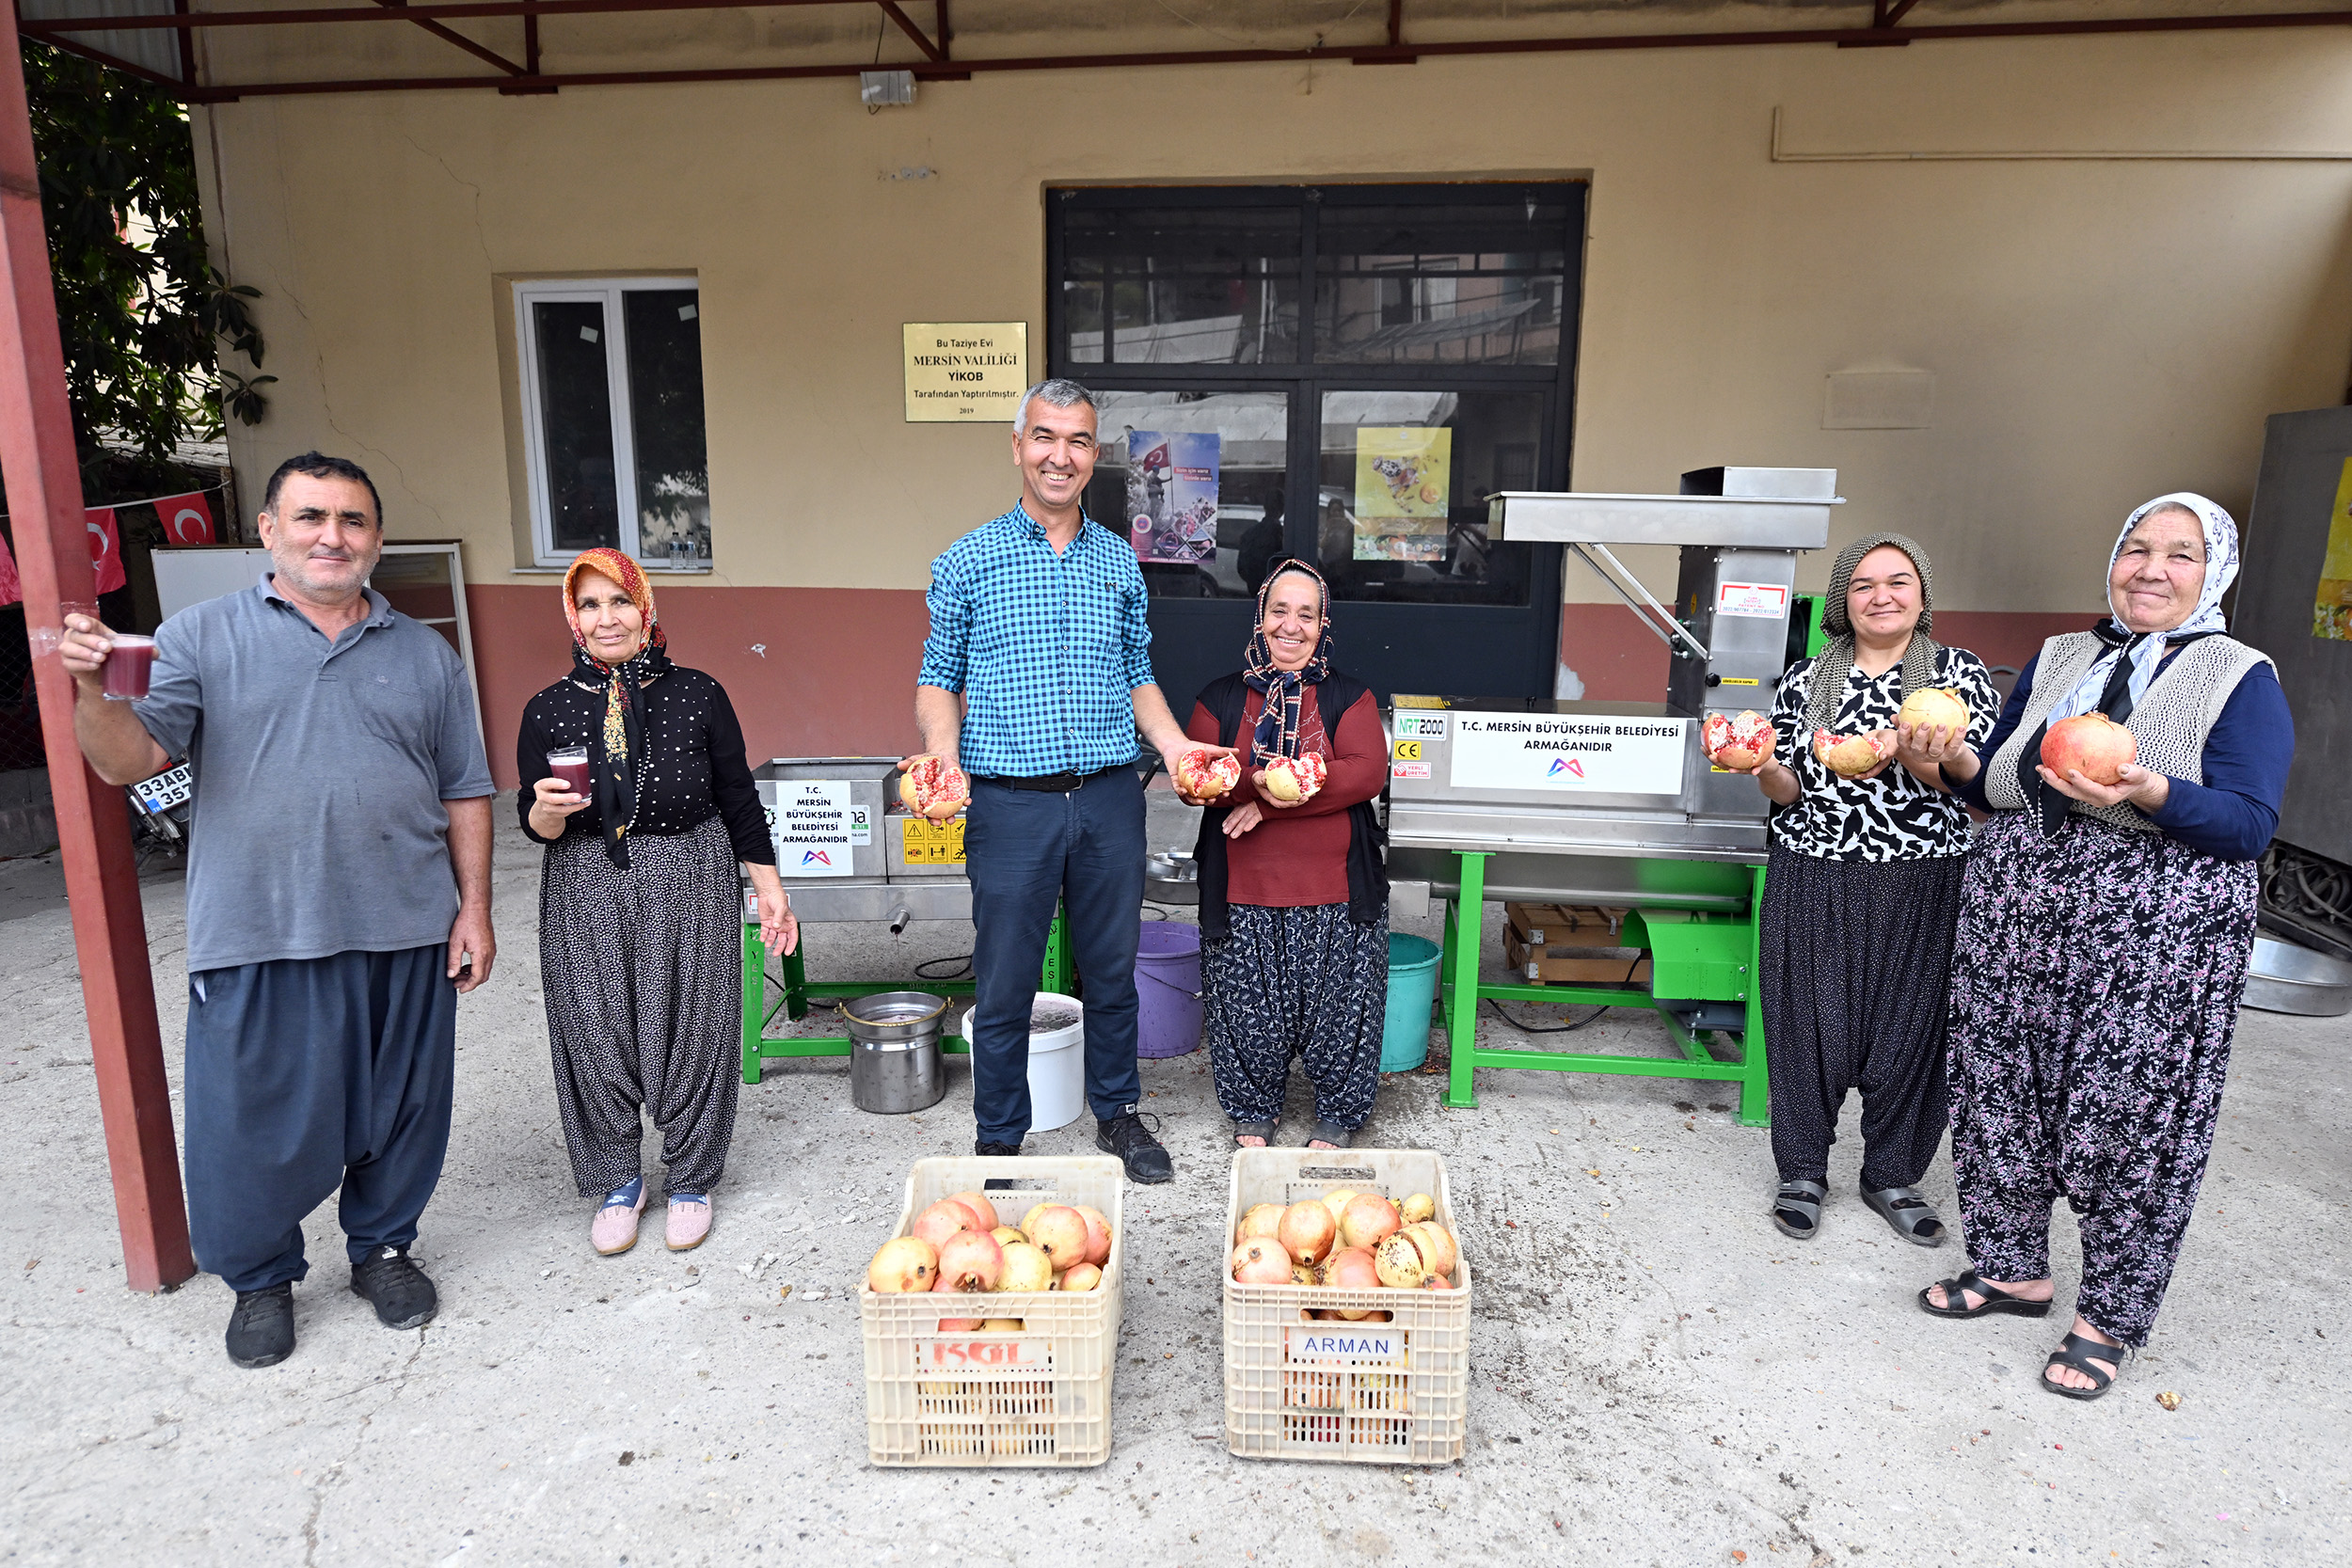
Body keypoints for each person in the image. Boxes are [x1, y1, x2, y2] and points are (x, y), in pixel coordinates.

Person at [59, 452, 495, 1370]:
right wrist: (91, 690)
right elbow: (127, 760)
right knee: (248, 1117)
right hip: (258, 927)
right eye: (310, 517)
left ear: (376, 539)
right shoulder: (199, 637)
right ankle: (260, 1277)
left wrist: (475, 909)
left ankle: (382, 1246)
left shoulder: (426, 654)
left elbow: (464, 790)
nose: (331, 535)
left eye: (352, 519)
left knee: (402, 1106)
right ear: (268, 530)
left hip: (406, 921)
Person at [1912, 494, 2291, 1401]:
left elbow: (2249, 824)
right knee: (1999, 1087)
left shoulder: (2242, 676)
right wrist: (1943, 757)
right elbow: (1997, 777)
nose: (2152, 568)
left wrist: (2152, 789)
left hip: (2154, 937)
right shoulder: (2062, 656)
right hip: (2016, 916)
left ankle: (2109, 1314)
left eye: (2181, 554)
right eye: (2136, 547)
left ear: (2216, 572)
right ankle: (2012, 1268)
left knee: (2133, 1117)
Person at [912, 377, 1236, 1182]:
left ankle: (1119, 1113)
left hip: (1107, 797)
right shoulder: (967, 560)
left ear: (1096, 455)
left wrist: (1176, 748)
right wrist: (942, 752)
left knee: (1111, 966)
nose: (1062, 455)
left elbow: (1138, 675)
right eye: (1046, 437)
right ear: (1018, 446)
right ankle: (998, 1136)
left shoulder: (1120, 560)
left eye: (1080, 440)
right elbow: (936, 678)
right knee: (1005, 976)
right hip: (1008, 803)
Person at [516, 549, 796, 1257]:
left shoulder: (700, 693)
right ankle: (617, 1179)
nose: (606, 617)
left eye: (620, 601)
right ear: (572, 618)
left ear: (647, 608)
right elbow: (533, 821)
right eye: (589, 605)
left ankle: (692, 1178)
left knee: (694, 1021)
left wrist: (770, 892)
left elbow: (738, 798)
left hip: (691, 869)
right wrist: (547, 813)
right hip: (584, 879)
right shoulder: (546, 710)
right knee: (594, 1025)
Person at [1737, 535, 1997, 1245]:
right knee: (1804, 1027)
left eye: (1899, 580)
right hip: (1813, 870)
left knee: (1912, 1031)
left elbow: (1978, 788)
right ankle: (1802, 1170)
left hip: (1921, 876)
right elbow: (1787, 789)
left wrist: (1923, 759)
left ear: (1923, 593)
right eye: (1863, 584)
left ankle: (1893, 1173)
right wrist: (1760, 764)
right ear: (1842, 601)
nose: (1881, 595)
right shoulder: (1806, 679)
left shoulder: (1955, 678)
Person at [1184, 561, 1390, 1149]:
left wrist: (1267, 802)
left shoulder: (1350, 696)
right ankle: (1253, 1106)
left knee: (1341, 1009)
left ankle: (1338, 1111)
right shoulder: (1220, 698)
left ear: (1323, 624)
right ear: (1260, 616)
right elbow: (1203, 779)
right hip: (1242, 888)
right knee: (1245, 1008)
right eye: (1280, 610)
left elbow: (1366, 773)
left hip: (1338, 890)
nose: (1291, 626)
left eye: (1306, 614)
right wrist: (1271, 783)